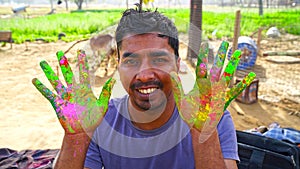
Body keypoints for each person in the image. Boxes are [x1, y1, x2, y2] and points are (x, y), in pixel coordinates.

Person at [33, 7, 255, 169]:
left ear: (178, 65)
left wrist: (203, 132)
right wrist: (77, 137)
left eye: (159, 59)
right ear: (117, 66)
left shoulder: (212, 118)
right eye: (131, 61)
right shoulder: (98, 120)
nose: (145, 74)